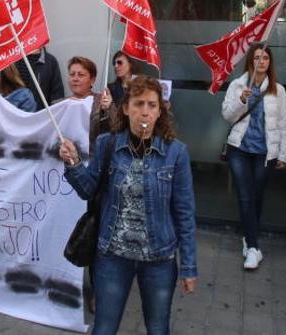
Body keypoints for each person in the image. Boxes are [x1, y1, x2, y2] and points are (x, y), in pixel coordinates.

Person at [59, 76, 197, 335]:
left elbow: (185, 213)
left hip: (159, 260)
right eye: (138, 103)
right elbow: (87, 189)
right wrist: (74, 162)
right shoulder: (107, 143)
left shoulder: (176, 153)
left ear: (160, 110)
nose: (145, 111)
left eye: (152, 105)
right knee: (104, 328)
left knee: (158, 329)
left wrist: (189, 266)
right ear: (125, 108)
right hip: (113, 257)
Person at [221, 43, 286, 270]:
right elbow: (227, 116)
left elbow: (283, 125)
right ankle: (253, 247)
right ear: (250, 60)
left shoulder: (277, 90)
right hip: (239, 149)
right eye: (257, 58)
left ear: (270, 63)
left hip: (265, 153)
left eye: (266, 59)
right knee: (244, 196)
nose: (261, 62)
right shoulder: (238, 85)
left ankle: (247, 237)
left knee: (256, 197)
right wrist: (241, 100)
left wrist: (283, 153)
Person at [66, 56, 113, 145]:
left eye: (81, 75)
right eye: (72, 74)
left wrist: (108, 110)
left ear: (92, 80)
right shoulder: (61, 104)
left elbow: (115, 129)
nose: (75, 79)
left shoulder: (102, 101)